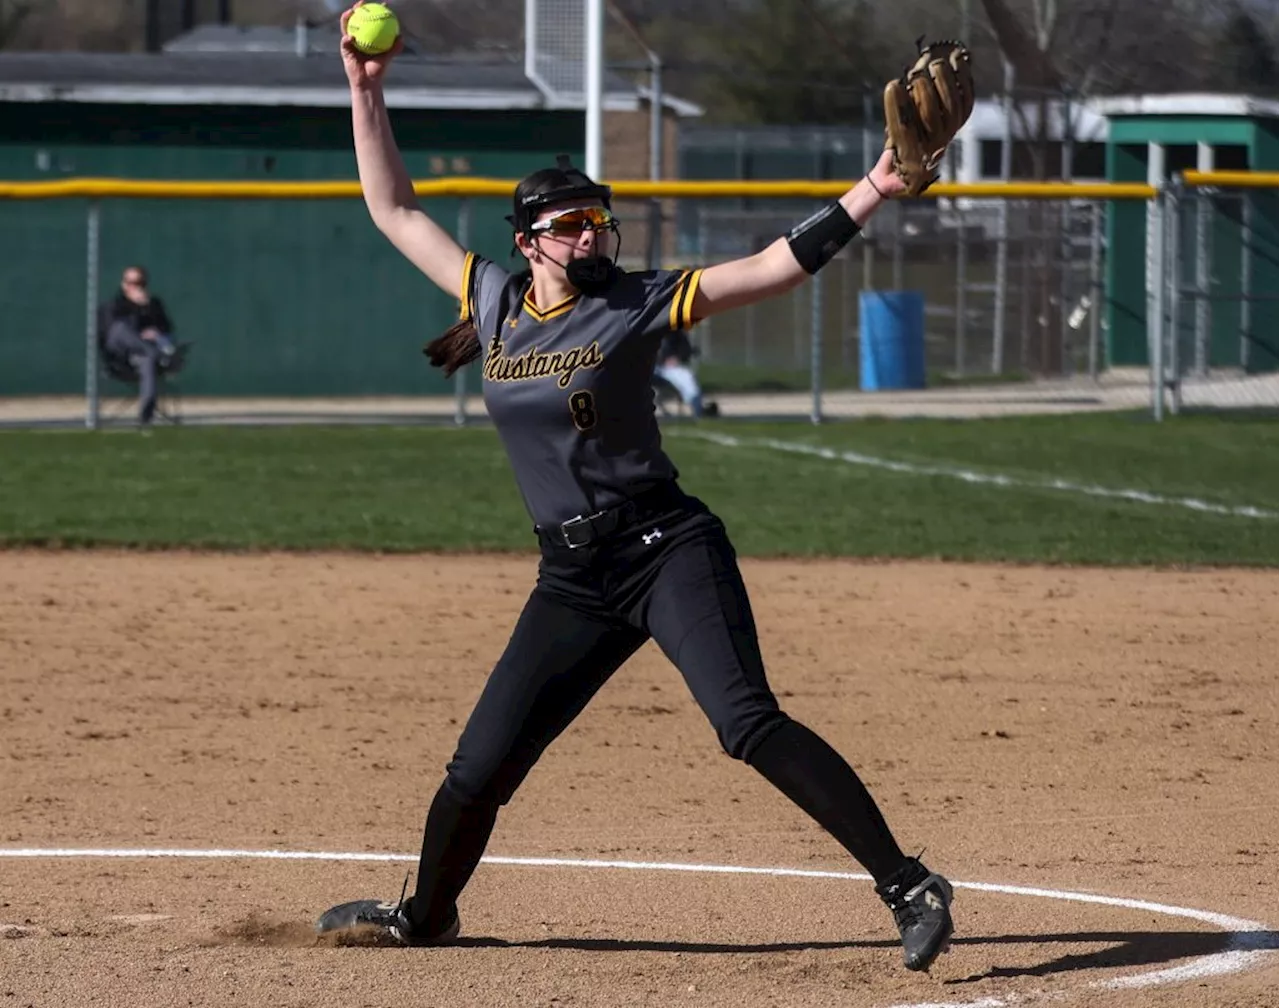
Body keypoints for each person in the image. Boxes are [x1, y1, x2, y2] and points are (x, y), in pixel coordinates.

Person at [316, 1, 956, 973]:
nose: (591, 234)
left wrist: (875, 182)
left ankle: (907, 882)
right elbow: (394, 209)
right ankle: (427, 914)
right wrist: (366, 91)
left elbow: (772, 268)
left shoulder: (637, 301)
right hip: (570, 580)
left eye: (596, 221)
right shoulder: (491, 298)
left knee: (744, 723)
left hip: (663, 550)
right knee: (475, 771)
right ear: (529, 238)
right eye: (571, 223)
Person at [99, 265, 178, 427]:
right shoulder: (115, 305)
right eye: (130, 282)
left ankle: (145, 417)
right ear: (123, 284)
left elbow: (167, 328)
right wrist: (136, 308)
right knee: (121, 328)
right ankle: (159, 354)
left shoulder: (154, 304)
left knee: (148, 360)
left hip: (142, 356)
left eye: (139, 283)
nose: (134, 287)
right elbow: (111, 334)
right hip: (120, 356)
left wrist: (153, 329)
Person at [653, 328, 717, 419]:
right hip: (649, 367)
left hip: (670, 369)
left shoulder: (675, 331)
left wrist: (677, 357)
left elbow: (686, 350)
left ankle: (698, 410)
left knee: (688, 377)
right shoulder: (644, 327)